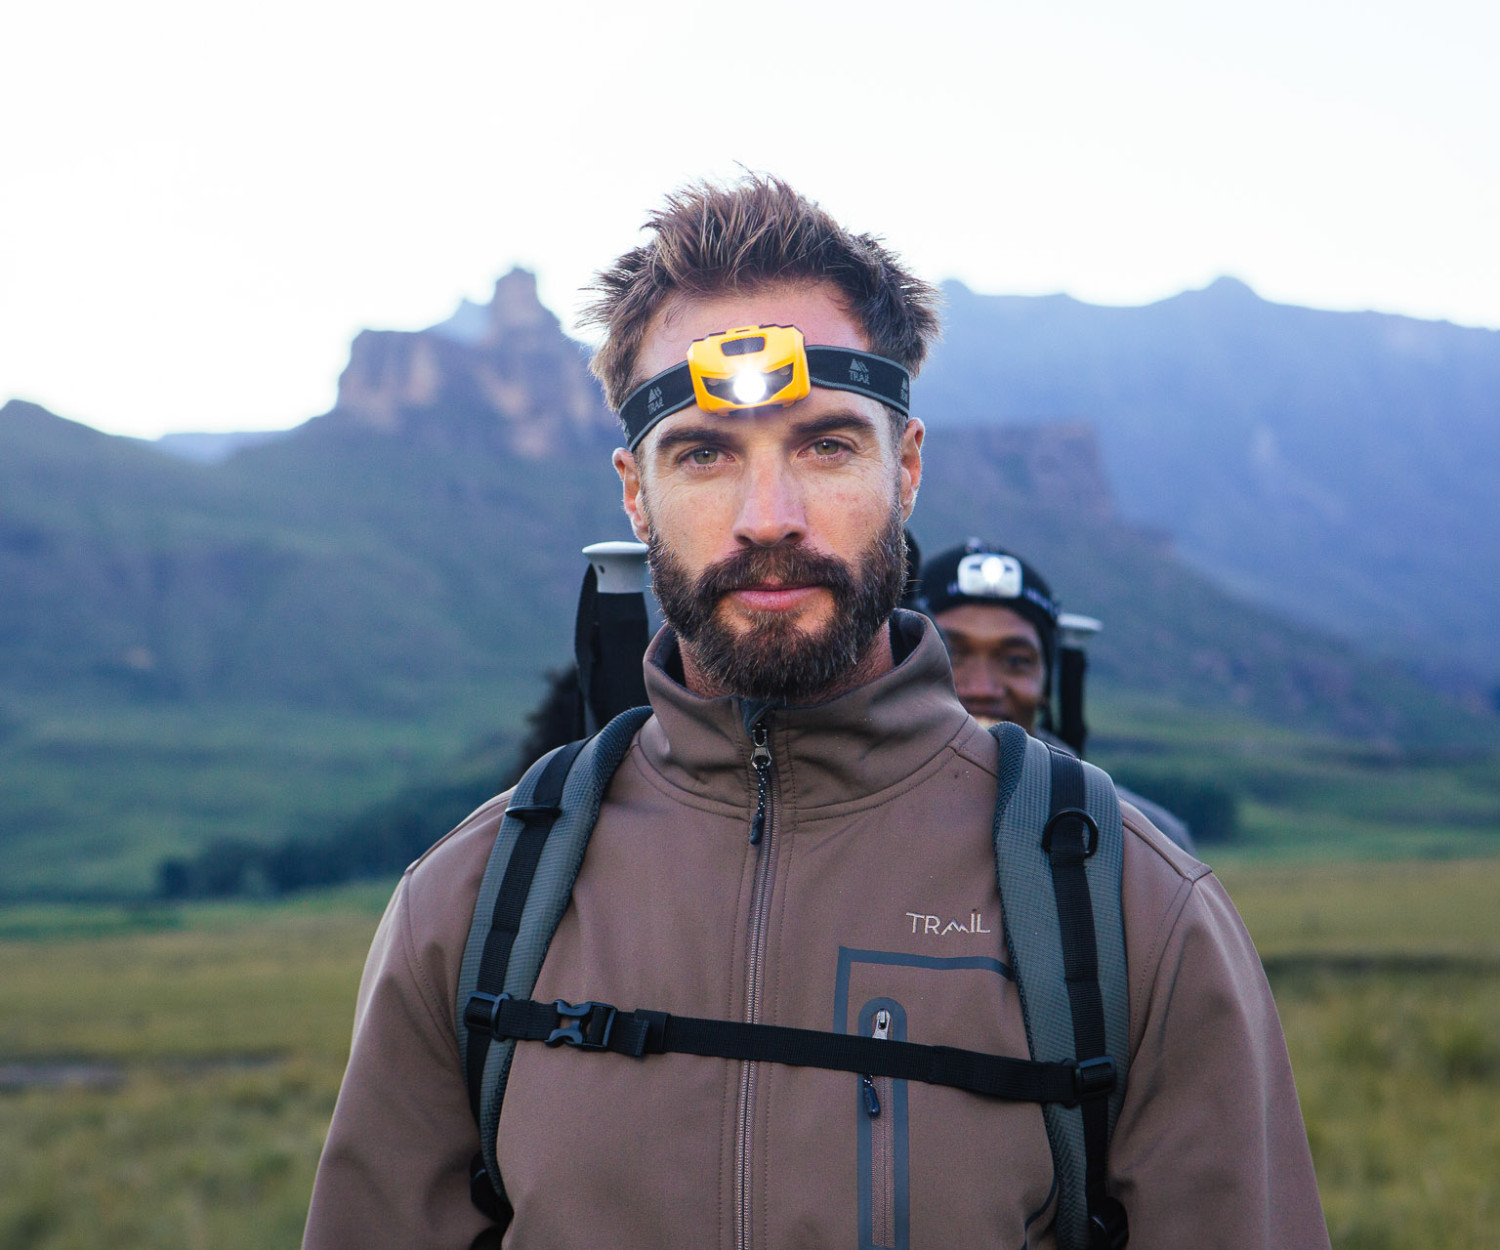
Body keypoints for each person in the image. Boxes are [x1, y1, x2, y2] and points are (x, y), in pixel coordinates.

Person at [303, 175, 1327, 1249]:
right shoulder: (469, 912)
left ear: (909, 467)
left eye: (827, 446)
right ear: (634, 492)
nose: (769, 518)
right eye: (704, 452)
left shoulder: (1126, 907)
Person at [913, 539, 1197, 853]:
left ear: (1046, 685)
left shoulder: (1148, 841)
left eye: (1016, 661)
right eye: (950, 654)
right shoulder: (859, 816)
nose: (982, 688)